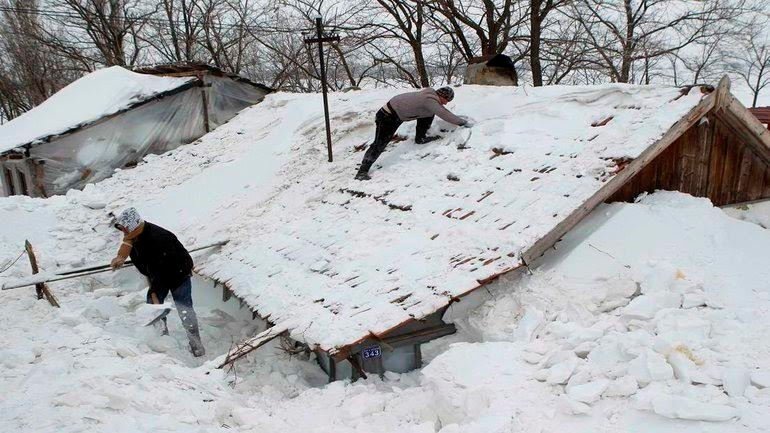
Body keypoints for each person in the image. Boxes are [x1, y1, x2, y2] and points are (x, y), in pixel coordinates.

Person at [110, 207, 205, 357]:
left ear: (132, 226)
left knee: (184, 309)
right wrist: (121, 257)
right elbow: (141, 259)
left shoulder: (159, 237)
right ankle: (163, 343)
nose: (123, 233)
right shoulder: (134, 237)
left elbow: (165, 268)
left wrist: (154, 288)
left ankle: (197, 345)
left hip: (178, 273)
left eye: (124, 229)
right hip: (158, 274)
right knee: (154, 308)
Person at [355, 86, 473, 181]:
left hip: (397, 113)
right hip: (387, 116)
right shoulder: (429, 100)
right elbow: (443, 113)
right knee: (380, 143)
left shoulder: (430, 96)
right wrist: (463, 123)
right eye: (446, 100)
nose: (446, 103)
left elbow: (437, 109)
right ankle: (363, 171)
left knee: (429, 113)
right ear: (441, 96)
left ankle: (420, 138)